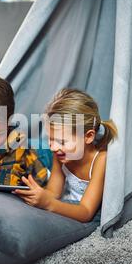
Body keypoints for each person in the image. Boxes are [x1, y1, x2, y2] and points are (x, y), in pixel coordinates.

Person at [13, 89, 117, 223]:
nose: (53, 147)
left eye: (62, 141)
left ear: (89, 136)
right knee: (22, 147)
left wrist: (48, 204)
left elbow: (86, 212)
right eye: (51, 139)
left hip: (81, 209)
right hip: (65, 199)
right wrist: (39, 194)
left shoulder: (101, 160)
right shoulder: (60, 154)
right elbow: (54, 193)